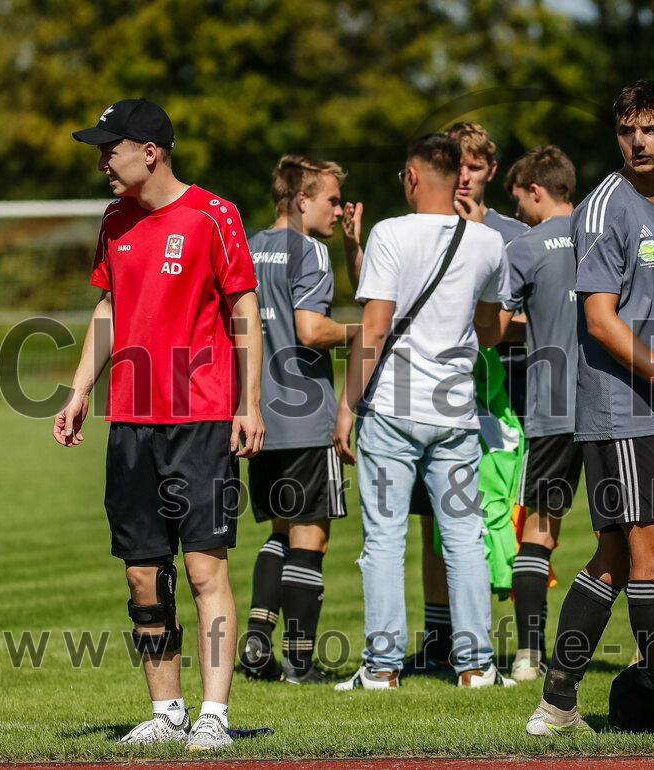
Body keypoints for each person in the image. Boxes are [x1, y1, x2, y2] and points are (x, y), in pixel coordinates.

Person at [54, 98, 264, 751]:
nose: (102, 162)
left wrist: (250, 402)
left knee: (204, 569)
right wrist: (80, 390)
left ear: (149, 152)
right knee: (142, 574)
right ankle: (168, 712)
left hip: (200, 416)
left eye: (109, 149)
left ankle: (214, 716)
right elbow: (109, 307)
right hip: (130, 420)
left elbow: (245, 310)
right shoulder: (114, 219)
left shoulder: (214, 215)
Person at [526, 81, 654, 736]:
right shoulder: (603, 207)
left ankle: (556, 705)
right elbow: (602, 321)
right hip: (618, 409)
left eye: (650, 128)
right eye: (626, 130)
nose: (638, 141)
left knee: (614, 558)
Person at [333, 133, 515, 689]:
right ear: (458, 175)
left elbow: (373, 329)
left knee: (385, 540)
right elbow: (492, 331)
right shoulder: (488, 241)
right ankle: (476, 666)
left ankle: (381, 668)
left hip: (391, 409)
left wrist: (346, 406)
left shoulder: (389, 233)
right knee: (464, 539)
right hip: (455, 413)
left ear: (412, 176)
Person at [406, 122, 528, 671]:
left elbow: (537, 316)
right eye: (457, 167)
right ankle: (439, 636)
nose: (464, 178)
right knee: (434, 517)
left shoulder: (514, 234)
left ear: (490, 172)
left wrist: (490, 323)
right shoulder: (419, 227)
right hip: (430, 394)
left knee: (506, 514)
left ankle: (524, 645)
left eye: (474, 167)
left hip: (501, 397)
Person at [239, 155, 354, 685]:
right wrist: (366, 331)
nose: (339, 209)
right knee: (311, 540)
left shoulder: (247, 246)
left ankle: (257, 638)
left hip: (258, 415)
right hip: (306, 416)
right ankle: (300, 665)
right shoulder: (309, 250)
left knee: (279, 532)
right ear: (302, 200)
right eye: (332, 199)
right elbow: (310, 330)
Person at [494, 145, 582, 682]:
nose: (518, 212)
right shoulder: (603, 233)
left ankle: (528, 655)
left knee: (539, 529)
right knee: (627, 528)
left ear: (535, 190)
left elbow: (495, 328)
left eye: (519, 201)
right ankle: (648, 654)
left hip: (551, 409)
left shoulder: (524, 247)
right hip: (613, 406)